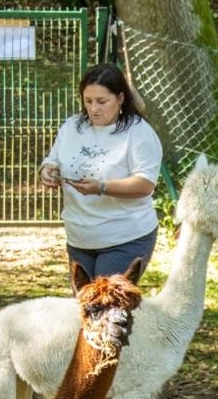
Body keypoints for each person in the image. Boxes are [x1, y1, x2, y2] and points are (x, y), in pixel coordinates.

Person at [39, 64, 164, 287]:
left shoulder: (139, 132)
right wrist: (47, 171)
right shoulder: (72, 127)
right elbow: (53, 159)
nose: (94, 109)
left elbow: (145, 184)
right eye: (88, 101)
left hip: (125, 238)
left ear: (120, 98)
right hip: (79, 237)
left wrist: (102, 187)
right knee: (85, 309)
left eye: (102, 101)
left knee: (106, 310)